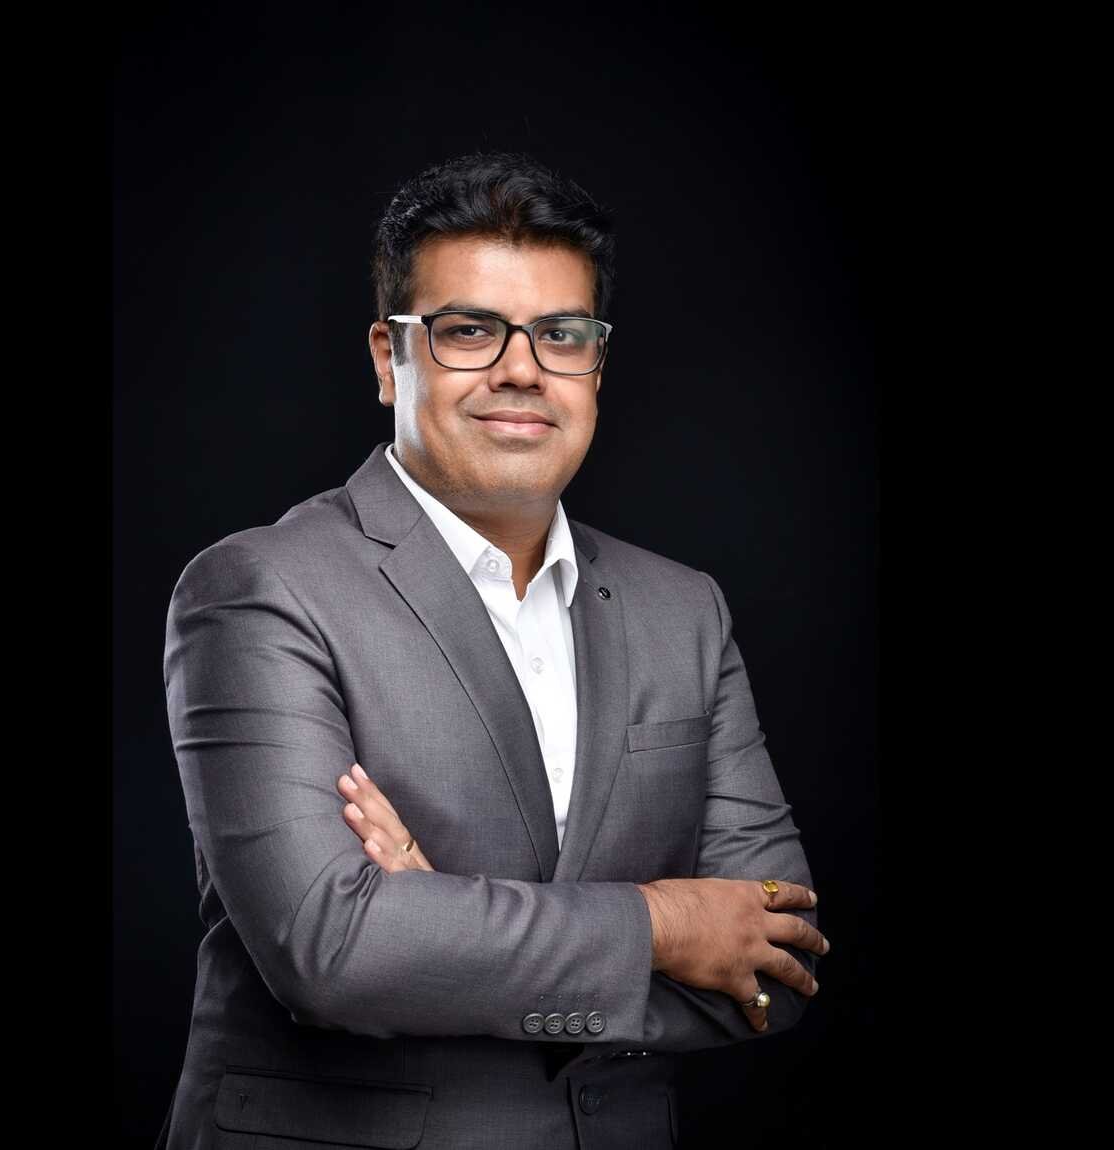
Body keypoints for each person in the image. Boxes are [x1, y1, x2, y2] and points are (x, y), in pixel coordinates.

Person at [158, 151, 828, 1150]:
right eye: (469, 330)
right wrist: (664, 928)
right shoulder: (260, 589)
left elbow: (778, 959)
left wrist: (437, 927)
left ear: (596, 364)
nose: (522, 368)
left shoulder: (683, 610)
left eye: (561, 334)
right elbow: (334, 950)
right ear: (389, 357)